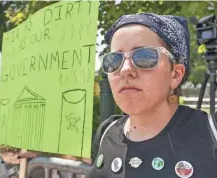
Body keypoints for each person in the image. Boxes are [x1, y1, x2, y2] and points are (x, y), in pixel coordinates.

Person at [87, 12, 217, 178]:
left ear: (176, 74)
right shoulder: (106, 132)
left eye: (144, 56)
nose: (125, 70)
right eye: (114, 60)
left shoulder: (211, 132)